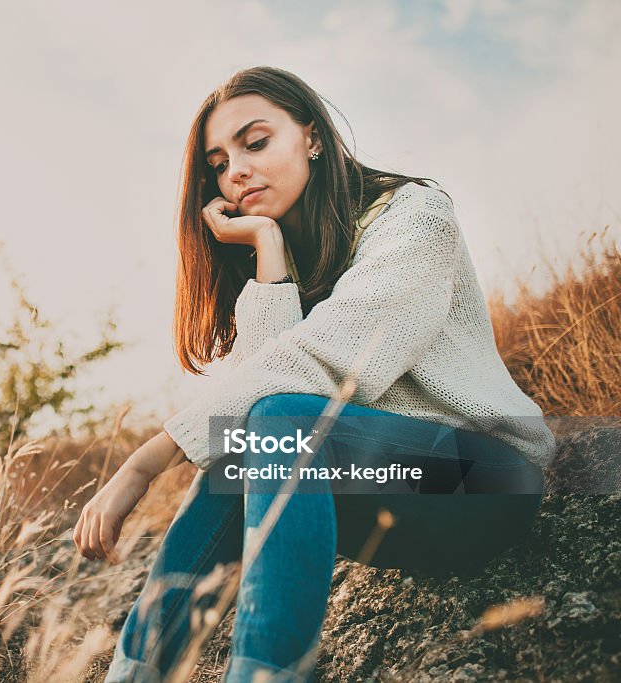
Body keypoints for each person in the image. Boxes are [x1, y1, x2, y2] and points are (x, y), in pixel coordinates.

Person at [73, 66, 555, 682]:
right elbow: (262, 402)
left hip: (480, 484)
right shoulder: (294, 258)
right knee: (241, 451)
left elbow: (330, 362)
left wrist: (144, 462)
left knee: (274, 423)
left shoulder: (415, 217)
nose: (235, 172)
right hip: (384, 494)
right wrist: (268, 249)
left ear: (313, 138)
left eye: (255, 142)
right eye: (219, 163)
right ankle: (134, 675)